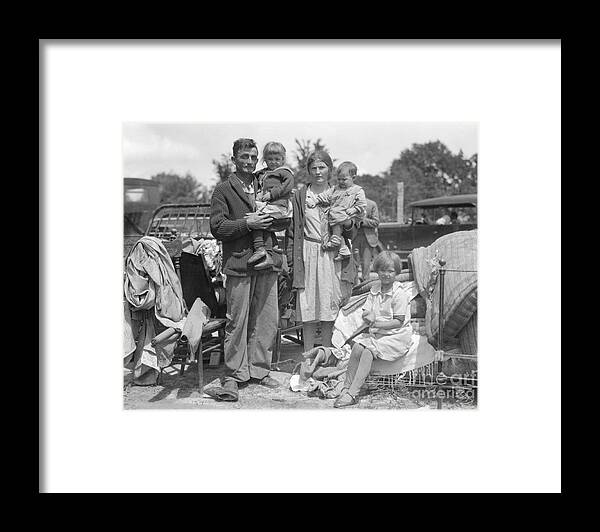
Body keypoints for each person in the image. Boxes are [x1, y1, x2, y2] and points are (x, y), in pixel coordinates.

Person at [208, 138, 285, 401]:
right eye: (244, 157)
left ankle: (260, 370)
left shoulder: (265, 183)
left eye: (253, 157)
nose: (250, 161)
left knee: (267, 319)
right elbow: (218, 228)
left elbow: (280, 217)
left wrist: (273, 220)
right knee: (237, 322)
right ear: (234, 160)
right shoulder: (223, 190)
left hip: (267, 262)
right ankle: (233, 375)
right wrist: (247, 223)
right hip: (240, 264)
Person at [286, 150, 358, 352]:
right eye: (314, 168)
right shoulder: (300, 196)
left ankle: (327, 353)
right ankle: (309, 355)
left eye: (322, 167)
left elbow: (352, 232)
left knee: (329, 303)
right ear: (308, 170)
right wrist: (292, 262)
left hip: (333, 253)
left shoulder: (341, 193)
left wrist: (348, 222)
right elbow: (293, 232)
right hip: (308, 253)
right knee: (308, 305)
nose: (318, 172)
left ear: (330, 169)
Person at [333, 251, 413, 408]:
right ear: (377, 271)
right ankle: (346, 387)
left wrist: (375, 324)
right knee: (357, 347)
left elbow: (398, 321)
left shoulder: (399, 293)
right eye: (383, 270)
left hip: (396, 335)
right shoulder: (375, 289)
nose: (386, 274)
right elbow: (366, 311)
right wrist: (367, 316)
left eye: (390, 271)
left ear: (397, 272)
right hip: (379, 333)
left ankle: (353, 393)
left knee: (368, 350)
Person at [306, 161, 366, 261]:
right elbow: (325, 196)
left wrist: (354, 209)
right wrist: (316, 201)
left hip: (346, 215)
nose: (341, 182)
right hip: (336, 215)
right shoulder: (335, 189)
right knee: (334, 229)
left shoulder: (357, 190)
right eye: (339, 179)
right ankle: (343, 249)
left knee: (337, 229)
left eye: (344, 179)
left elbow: (362, 204)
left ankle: (336, 242)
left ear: (353, 178)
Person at [249, 141, 295, 270]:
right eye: (270, 159)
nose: (274, 162)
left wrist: (272, 194)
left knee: (256, 218)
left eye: (277, 159)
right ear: (265, 160)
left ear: (283, 159)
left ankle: (259, 248)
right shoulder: (263, 173)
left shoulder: (284, 172)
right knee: (263, 224)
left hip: (278, 205)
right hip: (270, 205)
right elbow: (255, 178)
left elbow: (287, 185)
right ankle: (271, 247)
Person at [352, 196, 381, 281]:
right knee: (353, 264)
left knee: (366, 264)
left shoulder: (371, 204)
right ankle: (354, 287)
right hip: (354, 238)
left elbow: (376, 222)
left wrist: (362, 221)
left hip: (368, 239)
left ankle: (365, 285)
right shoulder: (350, 204)